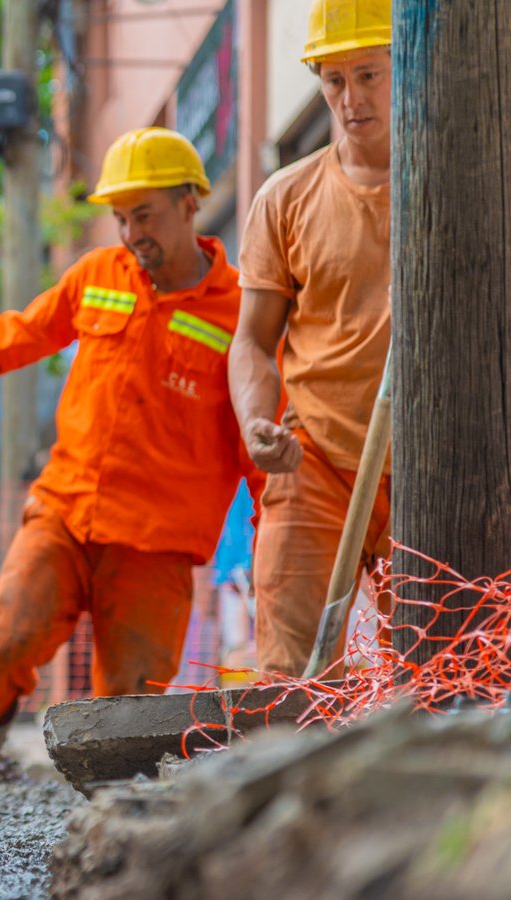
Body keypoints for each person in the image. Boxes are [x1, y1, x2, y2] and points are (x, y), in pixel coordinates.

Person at [0, 127, 256, 773]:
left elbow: (255, 437)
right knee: (7, 638)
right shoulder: (98, 276)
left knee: (132, 707)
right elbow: (10, 338)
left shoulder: (239, 313)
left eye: (144, 215)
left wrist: (272, 543)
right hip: (66, 513)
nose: (130, 234)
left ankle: (110, 814)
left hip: (156, 545)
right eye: (121, 218)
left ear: (190, 203)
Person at [229, 0, 392, 677]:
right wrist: (256, 422)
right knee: (289, 676)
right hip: (314, 462)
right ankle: (296, 785)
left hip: (437, 471)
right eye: (332, 80)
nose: (349, 98)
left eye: (368, 74)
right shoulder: (284, 199)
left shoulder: (462, 185)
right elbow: (253, 342)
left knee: (445, 664)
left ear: (405, 67)